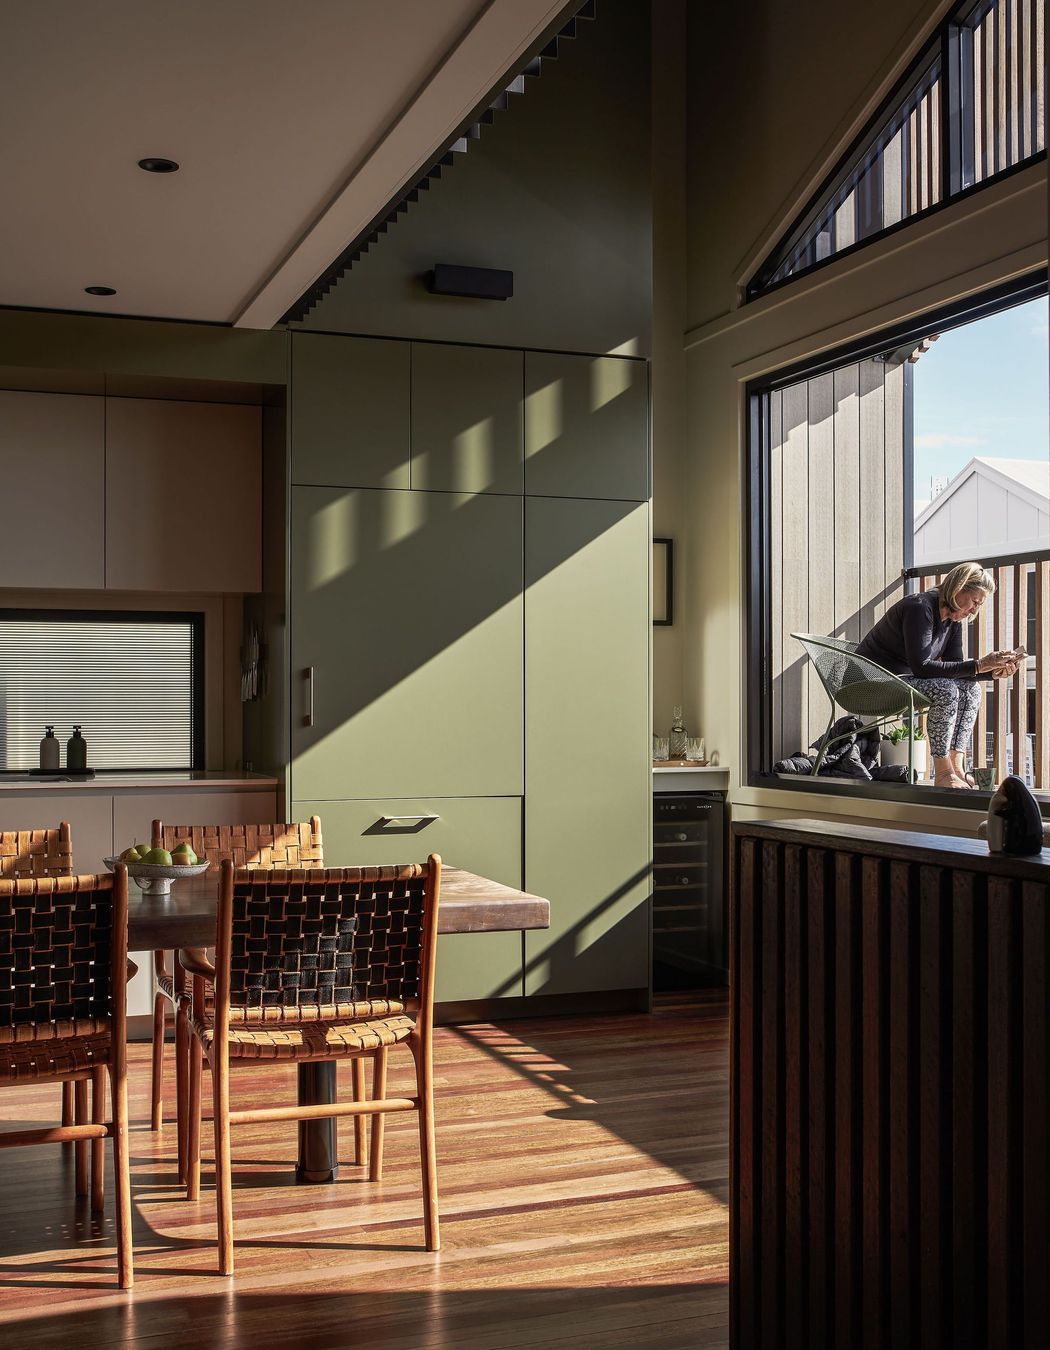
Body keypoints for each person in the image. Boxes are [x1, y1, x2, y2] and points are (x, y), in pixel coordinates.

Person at [855, 561, 1023, 789]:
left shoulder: (953, 622)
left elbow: (955, 668)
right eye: (975, 602)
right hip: (872, 682)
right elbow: (922, 666)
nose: (974, 610)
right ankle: (943, 772)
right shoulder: (919, 607)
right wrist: (979, 665)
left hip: (901, 681)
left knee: (970, 689)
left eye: (979, 606)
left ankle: (956, 767)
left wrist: (991, 673)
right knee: (945, 689)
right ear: (959, 587)